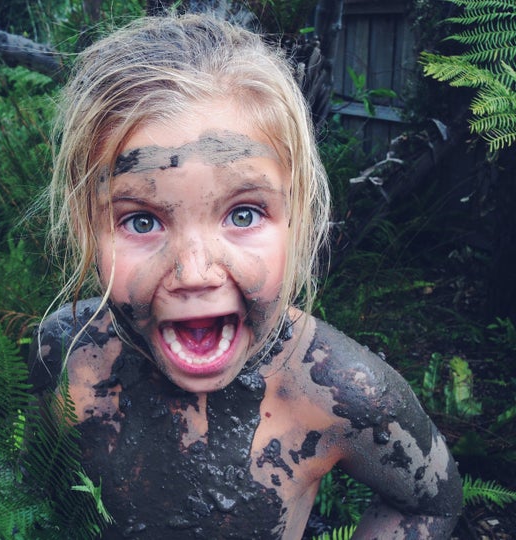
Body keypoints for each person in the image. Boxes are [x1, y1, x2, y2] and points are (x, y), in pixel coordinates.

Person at [30, 13, 462, 539]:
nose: (194, 272)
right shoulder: (66, 352)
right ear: (85, 230)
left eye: (243, 214)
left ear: (298, 218)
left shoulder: (340, 390)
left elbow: (431, 503)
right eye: (141, 221)